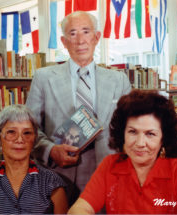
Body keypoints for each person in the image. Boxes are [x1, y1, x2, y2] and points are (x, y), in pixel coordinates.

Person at [26, 10, 131, 205]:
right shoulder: (43, 78)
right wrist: (50, 151)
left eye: (86, 31)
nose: (80, 40)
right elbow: (29, 130)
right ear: (64, 42)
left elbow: (130, 129)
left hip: (108, 174)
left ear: (97, 37)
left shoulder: (119, 80)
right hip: (58, 177)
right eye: (72, 33)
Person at [68, 90, 177, 215]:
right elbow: (80, 208)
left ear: (163, 138)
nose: (140, 143)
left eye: (150, 134)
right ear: (122, 133)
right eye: (132, 132)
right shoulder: (110, 165)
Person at [0, 105, 68, 214]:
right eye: (11, 132)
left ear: (34, 139)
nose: (20, 140)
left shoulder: (52, 183)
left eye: (27, 133)